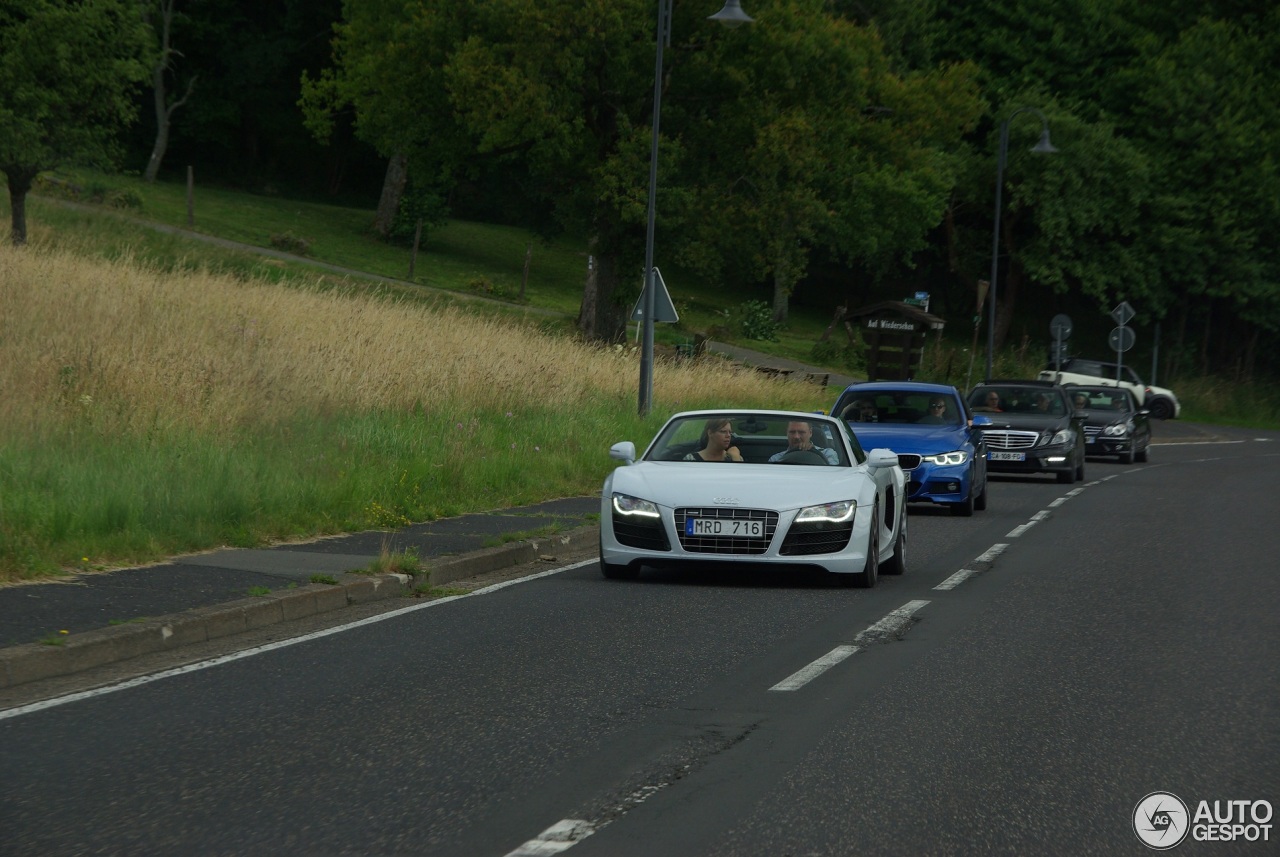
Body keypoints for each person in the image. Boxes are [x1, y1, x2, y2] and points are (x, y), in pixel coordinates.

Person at [768, 420, 839, 464]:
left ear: (810, 433)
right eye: (792, 432)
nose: (796, 436)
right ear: (787, 433)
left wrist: (811, 452)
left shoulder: (828, 454)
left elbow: (832, 477)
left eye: (801, 432)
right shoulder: (776, 459)